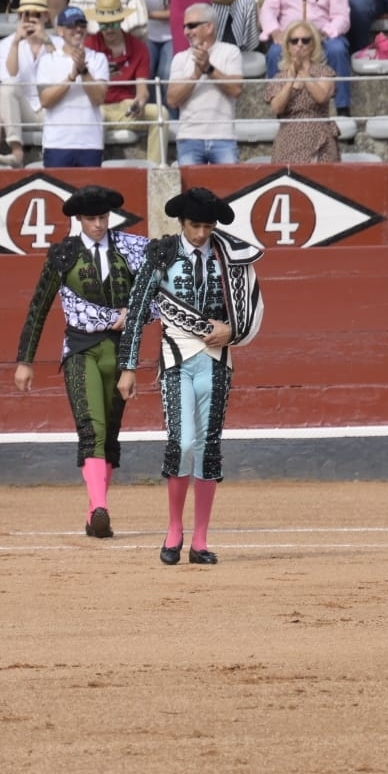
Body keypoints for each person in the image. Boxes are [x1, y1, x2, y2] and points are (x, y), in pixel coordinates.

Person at [116, 188, 264, 566]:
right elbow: (136, 312)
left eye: (207, 226)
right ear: (182, 223)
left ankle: (199, 540)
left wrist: (233, 331)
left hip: (216, 360)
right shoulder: (162, 254)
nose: (201, 233)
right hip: (176, 357)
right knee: (181, 443)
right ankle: (173, 529)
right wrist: (128, 366)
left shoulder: (229, 254)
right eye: (195, 225)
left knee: (208, 446)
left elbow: (251, 307)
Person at [14, 185, 150, 537]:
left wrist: (133, 314)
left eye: (103, 217)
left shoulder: (130, 250)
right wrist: (25, 360)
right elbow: (38, 307)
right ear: (78, 220)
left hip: (121, 352)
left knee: (111, 436)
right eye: (92, 218)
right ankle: (101, 506)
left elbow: (156, 291)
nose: (99, 224)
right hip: (81, 349)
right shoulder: (63, 255)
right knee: (93, 430)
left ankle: (94, 513)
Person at [260, 0, 353, 116]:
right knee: (275, 53)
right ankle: (279, 109)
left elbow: (341, 17)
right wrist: (275, 31)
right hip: (289, 37)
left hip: (323, 35)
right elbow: (268, 10)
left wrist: (324, 33)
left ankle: (342, 108)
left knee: (337, 49)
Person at [86, 0, 164, 165]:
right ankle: (92, 167)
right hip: (97, 107)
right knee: (90, 115)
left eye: (112, 23)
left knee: (161, 114)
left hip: (125, 107)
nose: (108, 29)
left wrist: (139, 102)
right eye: (103, 24)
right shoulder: (89, 45)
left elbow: (142, 89)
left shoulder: (138, 47)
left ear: (121, 20)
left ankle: (155, 170)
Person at [167, 3, 242, 166]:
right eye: (184, 27)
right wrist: (195, 75)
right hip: (189, 138)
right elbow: (172, 100)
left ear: (209, 27)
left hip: (224, 137)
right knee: (190, 192)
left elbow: (236, 89)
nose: (187, 32)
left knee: (229, 189)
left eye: (192, 26)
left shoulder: (230, 52)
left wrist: (209, 69)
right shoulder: (180, 58)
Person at [0, 0, 61, 168]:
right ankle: (17, 152)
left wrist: (46, 41)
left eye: (36, 15)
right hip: (24, 109)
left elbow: (63, 74)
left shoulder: (58, 43)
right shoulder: (6, 44)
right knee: (7, 87)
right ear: (20, 17)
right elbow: (9, 76)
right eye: (26, 15)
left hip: (51, 107)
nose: (31, 19)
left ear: (45, 17)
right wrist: (17, 42)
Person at [36, 6, 108, 168]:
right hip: (57, 143)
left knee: (90, 194)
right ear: (60, 30)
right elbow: (45, 101)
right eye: (71, 25)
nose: (78, 29)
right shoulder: (48, 61)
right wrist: (71, 77)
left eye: (82, 25)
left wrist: (83, 71)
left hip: (90, 143)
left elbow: (98, 99)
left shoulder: (98, 58)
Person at [264, 20, 340, 164]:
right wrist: (290, 81)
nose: (300, 44)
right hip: (288, 141)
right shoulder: (280, 77)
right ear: (287, 46)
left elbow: (322, 97)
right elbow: (276, 108)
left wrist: (303, 74)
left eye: (305, 40)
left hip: (319, 139)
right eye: (294, 41)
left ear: (313, 45)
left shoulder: (325, 72)